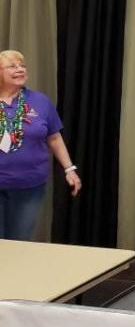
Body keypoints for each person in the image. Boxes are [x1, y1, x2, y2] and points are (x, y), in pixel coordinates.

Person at [0, 50, 81, 241]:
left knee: (19, 242)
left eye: (22, 66)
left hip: (28, 186)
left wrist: (70, 169)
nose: (20, 70)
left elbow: (54, 138)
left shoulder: (40, 101)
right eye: (13, 66)